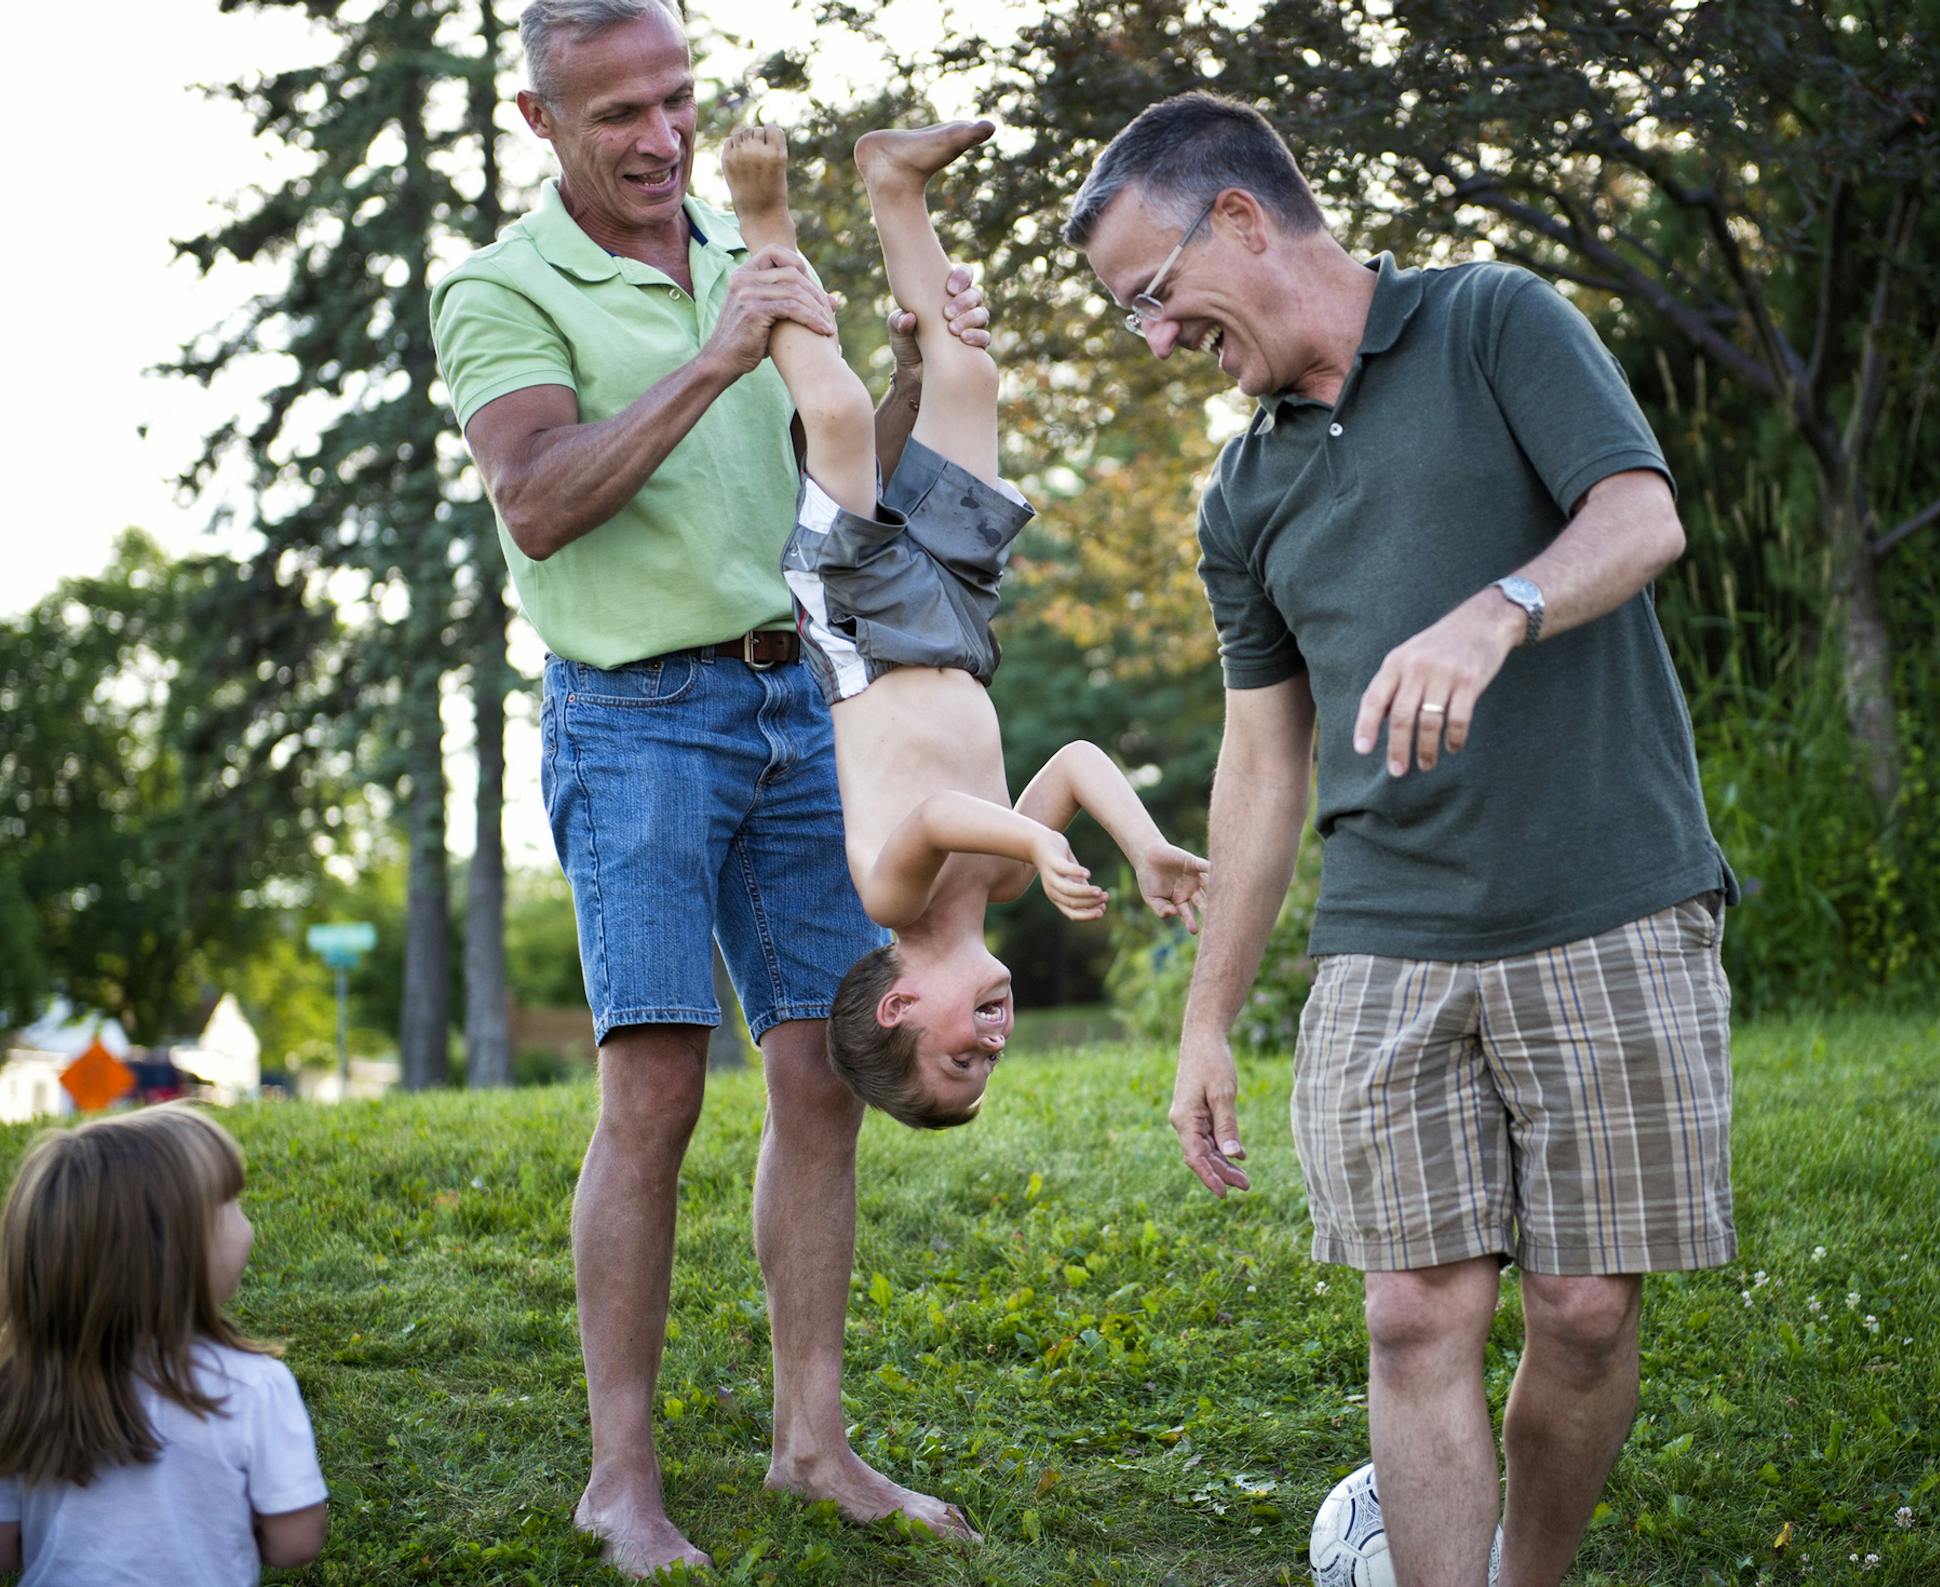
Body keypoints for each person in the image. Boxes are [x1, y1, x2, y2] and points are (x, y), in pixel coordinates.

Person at [1071, 93, 1737, 1587]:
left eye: (1154, 293)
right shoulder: (1242, 493)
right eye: (1132, 314)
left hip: (1608, 893)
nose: (1157, 336)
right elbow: (1261, 758)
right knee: (1414, 1309)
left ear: (1238, 218)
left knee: (1581, 1308)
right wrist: (1205, 1020)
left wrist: (1500, 608)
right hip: (1387, 933)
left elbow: (1640, 515)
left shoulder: (1492, 320)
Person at [426, 0, 993, 1569]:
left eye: (676, 99)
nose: (661, 136)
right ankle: (622, 1474)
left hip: (798, 697)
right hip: (635, 717)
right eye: (616, 112)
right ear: (542, 123)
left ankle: (813, 1442)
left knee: (825, 1064)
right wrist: (715, 350)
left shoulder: (753, 266)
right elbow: (540, 499)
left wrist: (898, 360)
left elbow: (839, 484)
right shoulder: (497, 286)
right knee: (655, 1087)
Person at [720, 120, 1209, 1128]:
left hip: (857, 627)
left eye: (958, 1062)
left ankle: (762, 216)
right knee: (969, 377)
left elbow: (941, 817)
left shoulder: (895, 900)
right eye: (988, 1068)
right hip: (956, 616)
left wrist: (1035, 845)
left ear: (899, 1006)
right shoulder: (1008, 883)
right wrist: (1143, 842)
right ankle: (895, 186)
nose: (992, 1047)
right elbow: (1074, 760)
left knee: (845, 416)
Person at [0, 1105, 328, 1586]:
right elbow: (296, 1542)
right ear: (176, 1250)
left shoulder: (17, 1384)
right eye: (232, 1205)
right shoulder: (252, 1385)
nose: (247, 1225)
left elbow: (6, 1545)